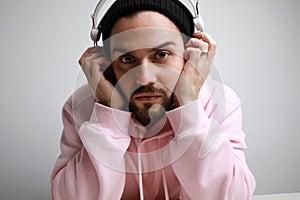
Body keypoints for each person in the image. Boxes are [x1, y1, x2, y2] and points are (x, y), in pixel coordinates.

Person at [51, 0, 256, 199]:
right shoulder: (81, 107)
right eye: (127, 59)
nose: (145, 78)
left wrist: (188, 109)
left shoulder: (221, 103)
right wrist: (109, 116)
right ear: (108, 64)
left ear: (189, 55)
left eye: (162, 55)